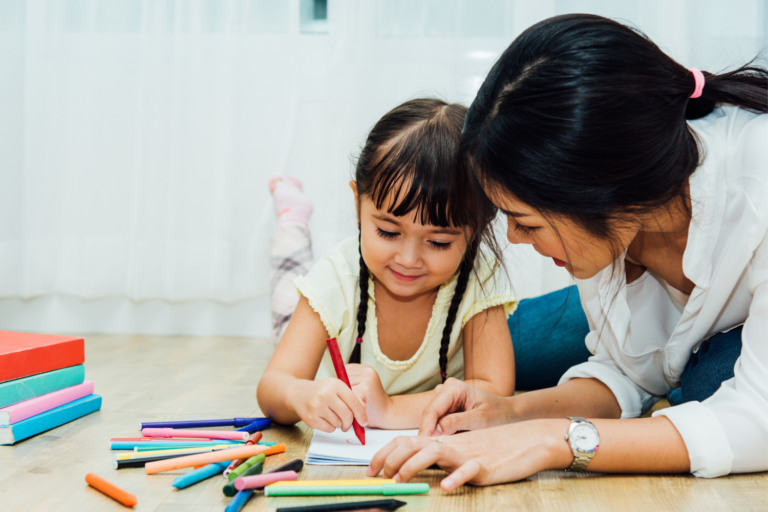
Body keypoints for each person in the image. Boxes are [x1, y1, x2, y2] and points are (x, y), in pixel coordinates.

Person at [368, 14, 768, 488]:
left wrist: (549, 440)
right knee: (502, 350)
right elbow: (627, 374)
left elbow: (756, 420)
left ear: (608, 192)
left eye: (527, 222)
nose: (515, 238)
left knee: (710, 380)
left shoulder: (755, 186)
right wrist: (510, 412)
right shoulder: (617, 221)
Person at [258, 98, 518, 432]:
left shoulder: (479, 276)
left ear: (478, 227)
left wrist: (392, 408)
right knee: (286, 299)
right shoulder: (336, 277)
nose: (408, 260)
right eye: (388, 231)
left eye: (439, 242)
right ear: (357, 204)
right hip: (324, 316)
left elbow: (494, 391)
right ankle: (291, 218)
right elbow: (272, 385)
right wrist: (298, 393)